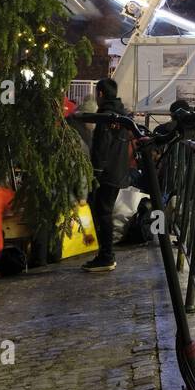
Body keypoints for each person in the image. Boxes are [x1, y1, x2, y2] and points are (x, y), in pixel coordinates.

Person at [77, 77, 131, 274]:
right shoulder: (121, 114)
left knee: (103, 213)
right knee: (105, 212)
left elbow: (101, 147)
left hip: (106, 174)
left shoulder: (106, 116)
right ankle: (105, 255)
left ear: (100, 94)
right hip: (117, 171)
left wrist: (96, 173)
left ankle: (106, 256)